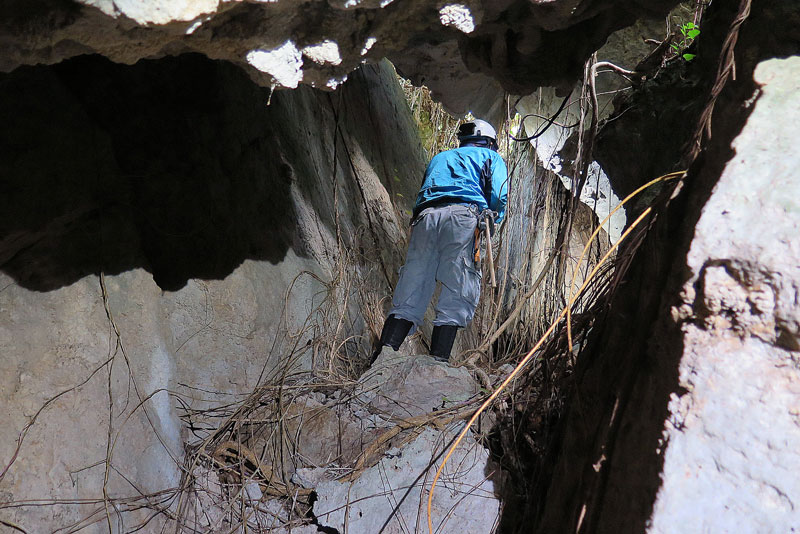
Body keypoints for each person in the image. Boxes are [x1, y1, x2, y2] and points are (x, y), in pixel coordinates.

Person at [372, 118, 508, 363]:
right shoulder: (491, 158)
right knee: (459, 285)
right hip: (463, 218)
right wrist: (494, 219)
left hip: (425, 219)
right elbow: (499, 194)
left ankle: (381, 359)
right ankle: (438, 363)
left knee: (412, 285)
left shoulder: (440, 158)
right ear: (489, 142)